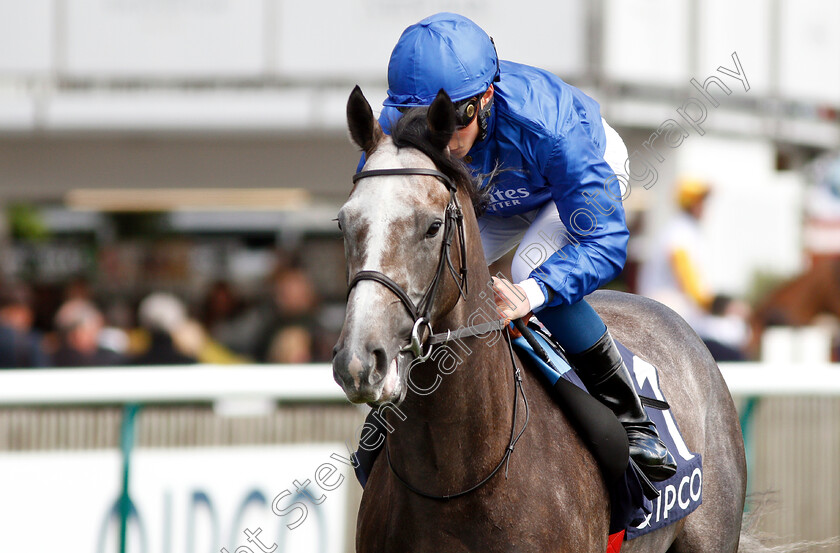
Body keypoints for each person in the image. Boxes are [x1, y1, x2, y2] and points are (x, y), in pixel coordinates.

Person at [364, 12, 676, 481]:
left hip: (572, 181)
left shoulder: (550, 129)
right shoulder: (398, 124)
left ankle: (633, 421)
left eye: (455, 119)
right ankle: (394, 396)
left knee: (530, 267)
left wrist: (531, 295)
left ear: (486, 97)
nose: (443, 139)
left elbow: (606, 242)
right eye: (427, 123)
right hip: (502, 194)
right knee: (432, 270)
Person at [638, 177, 750, 360]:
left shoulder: (684, 231)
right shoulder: (680, 235)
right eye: (702, 201)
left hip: (678, 319)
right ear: (691, 204)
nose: (706, 206)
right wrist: (726, 307)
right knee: (736, 356)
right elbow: (692, 288)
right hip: (670, 323)